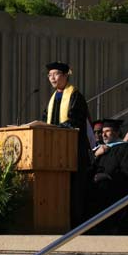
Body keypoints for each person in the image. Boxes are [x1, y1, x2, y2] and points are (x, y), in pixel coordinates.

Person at [42, 61, 92, 227]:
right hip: (55, 152)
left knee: (74, 190)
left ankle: (76, 224)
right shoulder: (52, 99)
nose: (52, 78)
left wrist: (59, 128)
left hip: (73, 151)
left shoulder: (75, 95)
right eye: (49, 75)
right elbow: (45, 121)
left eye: (55, 74)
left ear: (65, 75)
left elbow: (75, 120)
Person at [86, 119, 128, 233]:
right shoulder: (99, 150)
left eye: (107, 131)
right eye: (102, 132)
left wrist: (107, 177)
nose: (103, 134)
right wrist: (96, 155)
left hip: (115, 189)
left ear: (116, 132)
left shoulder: (125, 149)